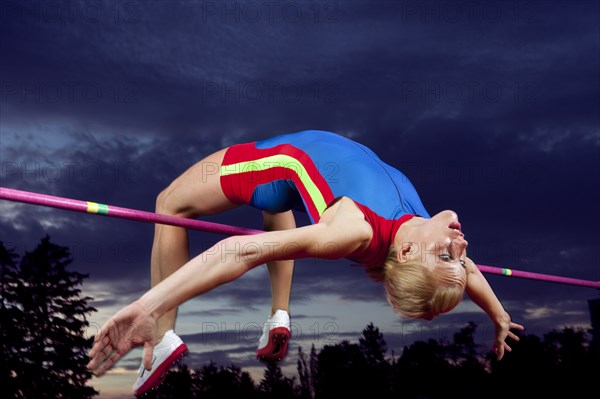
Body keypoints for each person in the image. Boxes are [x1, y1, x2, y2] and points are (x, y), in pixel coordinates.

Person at [87, 130, 524, 396]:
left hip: (279, 161)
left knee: (170, 203)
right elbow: (464, 270)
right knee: (281, 216)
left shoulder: (355, 230)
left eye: (449, 253)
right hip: (295, 188)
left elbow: (240, 251)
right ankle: (279, 313)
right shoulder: (426, 237)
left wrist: (147, 306)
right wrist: (498, 314)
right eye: (460, 257)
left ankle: (161, 335)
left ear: (408, 254)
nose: (461, 245)